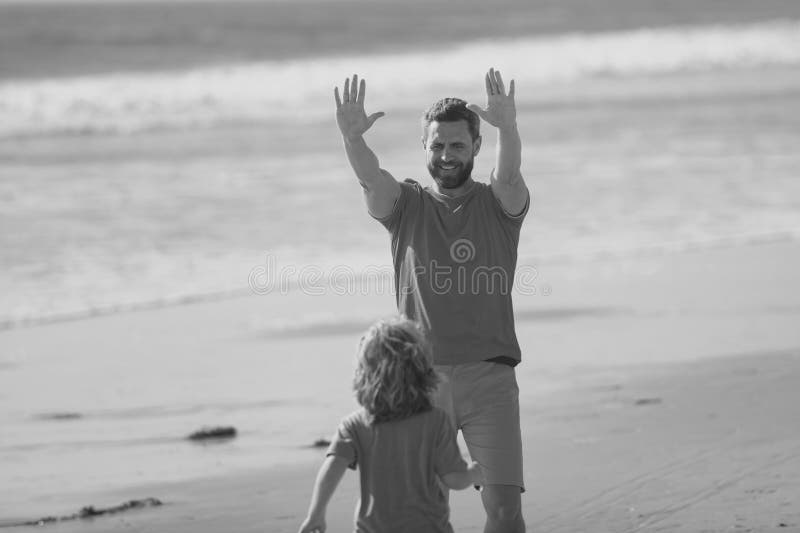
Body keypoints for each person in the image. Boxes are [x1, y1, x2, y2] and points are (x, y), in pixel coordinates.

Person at [333, 68, 530, 533]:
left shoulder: (499, 205)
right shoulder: (405, 206)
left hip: (491, 378)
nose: (446, 155)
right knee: (420, 515)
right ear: (425, 148)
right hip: (421, 384)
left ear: (476, 147)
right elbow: (370, 178)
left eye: (458, 145)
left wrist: (509, 128)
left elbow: (510, 172)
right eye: (437, 145)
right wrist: (352, 139)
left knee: (504, 511)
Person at [298, 316, 484, 533]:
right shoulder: (435, 421)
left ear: (364, 374)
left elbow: (331, 469)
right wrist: (475, 473)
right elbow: (455, 479)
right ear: (422, 371)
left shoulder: (355, 425)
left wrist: (316, 513)